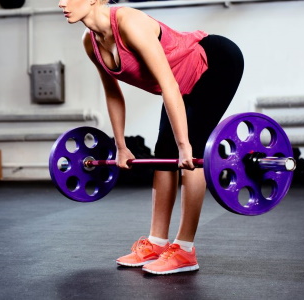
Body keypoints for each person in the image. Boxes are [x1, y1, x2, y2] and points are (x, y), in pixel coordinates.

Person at [58, 0, 244, 275]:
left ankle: (185, 250)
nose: (62, 3)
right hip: (178, 83)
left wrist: (184, 147)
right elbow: (112, 93)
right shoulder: (91, 41)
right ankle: (157, 242)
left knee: (191, 152)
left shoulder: (128, 23)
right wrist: (121, 146)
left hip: (214, 63)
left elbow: (168, 84)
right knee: (162, 154)